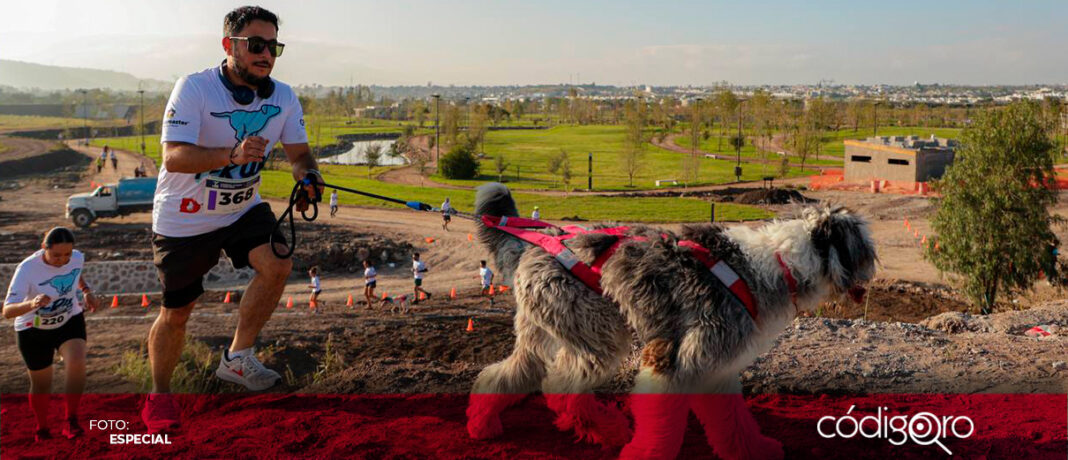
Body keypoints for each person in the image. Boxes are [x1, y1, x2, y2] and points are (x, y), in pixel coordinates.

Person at [142, 6, 322, 433]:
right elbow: (173, 157)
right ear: (229, 45)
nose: (266, 54)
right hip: (185, 218)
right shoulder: (195, 88)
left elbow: (300, 155)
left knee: (277, 263)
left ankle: (237, 358)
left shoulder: (283, 96)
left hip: (242, 207)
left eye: (273, 46)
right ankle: (159, 395)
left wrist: (309, 178)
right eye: (256, 45)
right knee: (178, 311)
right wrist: (233, 154)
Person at [3, 227, 100, 442]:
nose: (62, 260)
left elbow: (75, 272)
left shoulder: (76, 258)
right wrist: (32, 303)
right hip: (33, 329)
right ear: (43, 248)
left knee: (77, 361)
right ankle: (42, 427)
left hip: (69, 320)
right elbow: (7, 311)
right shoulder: (27, 269)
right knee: (41, 383)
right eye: (56, 255)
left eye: (67, 254)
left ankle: (71, 420)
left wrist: (86, 291)